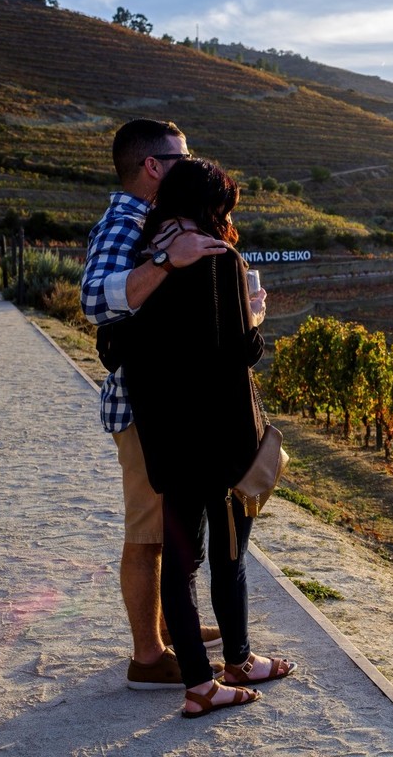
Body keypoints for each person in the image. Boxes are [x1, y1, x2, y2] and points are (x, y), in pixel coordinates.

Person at [124, 157, 295, 718]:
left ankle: (201, 682)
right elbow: (231, 360)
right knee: (229, 557)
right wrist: (254, 318)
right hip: (217, 442)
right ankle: (233, 665)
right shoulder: (219, 259)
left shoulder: (149, 257)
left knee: (180, 562)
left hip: (168, 439)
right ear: (213, 205)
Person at [81, 119, 247, 689]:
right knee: (149, 536)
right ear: (153, 165)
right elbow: (95, 300)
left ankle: (171, 628)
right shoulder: (126, 224)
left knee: (168, 534)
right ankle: (148, 657)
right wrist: (166, 262)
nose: (190, 162)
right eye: (181, 157)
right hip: (143, 407)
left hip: (164, 404)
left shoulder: (156, 223)